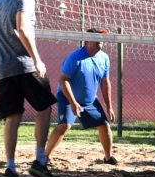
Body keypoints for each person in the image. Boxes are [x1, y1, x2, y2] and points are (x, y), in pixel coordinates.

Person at [0, 0, 58, 177]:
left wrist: (3, 60)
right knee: (45, 107)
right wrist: (37, 59)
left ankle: (11, 168)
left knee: (12, 117)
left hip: (3, 70)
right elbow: (24, 29)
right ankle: (39, 161)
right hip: (25, 65)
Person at [45, 29, 116, 164]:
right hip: (68, 97)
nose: (100, 41)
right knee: (64, 126)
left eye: (102, 39)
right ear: (87, 41)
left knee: (104, 125)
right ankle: (45, 156)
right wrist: (73, 102)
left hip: (89, 100)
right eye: (97, 38)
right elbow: (63, 80)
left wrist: (109, 107)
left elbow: (105, 82)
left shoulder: (104, 58)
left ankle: (108, 157)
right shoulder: (75, 57)